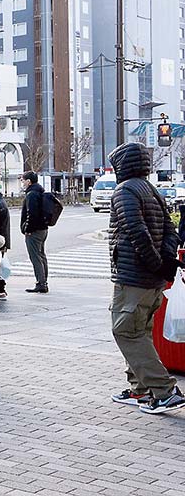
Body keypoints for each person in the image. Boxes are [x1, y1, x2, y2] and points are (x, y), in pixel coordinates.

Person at [107, 142, 185, 414]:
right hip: (151, 278)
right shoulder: (150, 189)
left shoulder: (125, 190)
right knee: (141, 330)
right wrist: (163, 264)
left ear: (122, 165)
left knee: (125, 330)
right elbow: (171, 230)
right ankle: (140, 388)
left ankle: (164, 391)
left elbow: (135, 231)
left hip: (134, 276)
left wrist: (154, 263)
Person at [21, 172, 50, 294]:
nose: (22, 183)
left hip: (34, 231)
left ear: (29, 181)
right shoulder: (40, 191)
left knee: (35, 257)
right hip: (43, 229)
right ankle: (44, 282)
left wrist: (28, 229)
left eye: (23, 180)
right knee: (41, 255)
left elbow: (31, 213)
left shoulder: (31, 194)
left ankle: (41, 283)